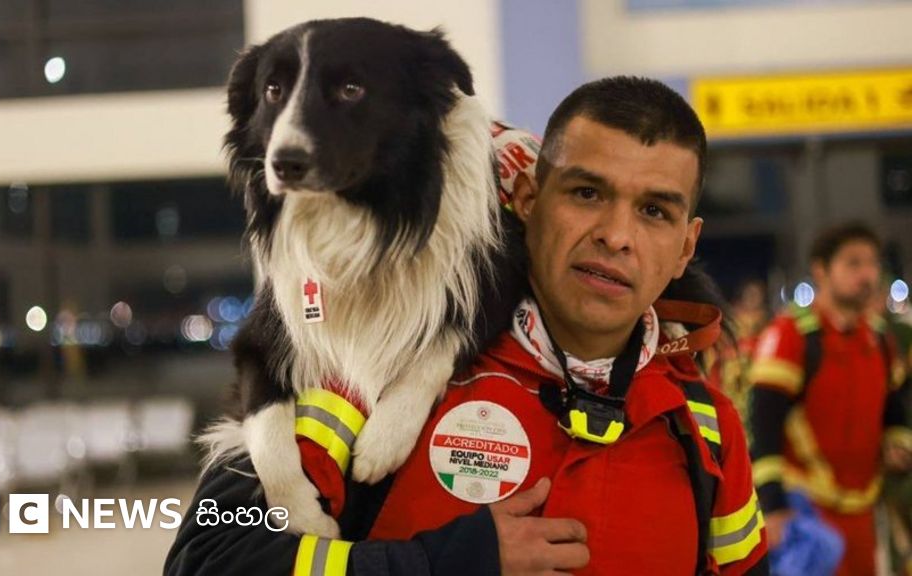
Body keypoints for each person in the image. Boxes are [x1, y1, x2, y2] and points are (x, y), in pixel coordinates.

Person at [165, 77, 768, 575]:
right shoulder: (377, 369)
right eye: (587, 193)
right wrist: (445, 562)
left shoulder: (706, 428)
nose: (616, 236)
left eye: (654, 210)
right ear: (527, 199)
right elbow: (209, 558)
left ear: (686, 247)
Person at [748, 222, 911, 575]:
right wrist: (773, 507)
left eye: (872, 263)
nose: (867, 274)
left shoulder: (879, 338)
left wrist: (897, 441)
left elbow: (892, 404)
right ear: (821, 270)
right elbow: (763, 425)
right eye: (853, 263)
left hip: (865, 509)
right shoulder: (790, 335)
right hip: (807, 514)